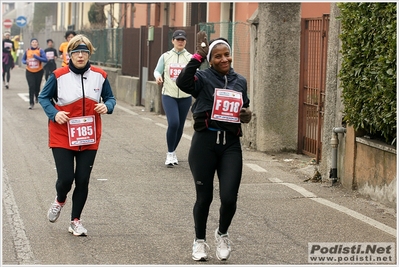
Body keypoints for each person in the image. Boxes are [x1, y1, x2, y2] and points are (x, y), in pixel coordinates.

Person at [176, 31, 252, 261]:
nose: (224, 60)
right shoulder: (203, 79)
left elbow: (245, 109)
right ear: (210, 59)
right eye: (217, 56)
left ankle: (222, 234)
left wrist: (247, 114)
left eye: (227, 55)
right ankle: (199, 241)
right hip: (205, 144)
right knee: (204, 197)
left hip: (230, 145)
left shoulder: (240, 81)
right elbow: (182, 82)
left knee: (229, 197)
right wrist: (197, 57)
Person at [38, 34, 116, 236]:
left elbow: (110, 98)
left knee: (82, 180)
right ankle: (60, 199)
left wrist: (106, 106)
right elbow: (44, 98)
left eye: (84, 52)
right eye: (76, 53)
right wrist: (55, 114)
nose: (80, 56)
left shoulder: (100, 75)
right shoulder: (58, 75)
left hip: (89, 136)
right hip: (62, 134)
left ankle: (75, 220)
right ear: (69, 55)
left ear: (89, 54)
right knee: (66, 178)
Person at [153, 29, 192, 167]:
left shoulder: (190, 58)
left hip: (185, 96)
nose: (180, 42)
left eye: (182, 40)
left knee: (180, 126)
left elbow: (196, 72)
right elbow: (157, 70)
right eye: (178, 39)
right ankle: (170, 154)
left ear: (185, 41)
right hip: (169, 94)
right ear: (173, 41)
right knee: (174, 123)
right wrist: (158, 76)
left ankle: (173, 151)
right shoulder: (165, 56)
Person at [21, 38, 47, 109]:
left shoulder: (40, 50)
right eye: (33, 42)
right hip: (29, 71)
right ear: (31, 43)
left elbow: (45, 60)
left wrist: (37, 57)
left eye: (36, 42)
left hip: (39, 71)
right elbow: (23, 59)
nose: (34, 43)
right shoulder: (27, 51)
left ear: (37, 44)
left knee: (37, 86)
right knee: (31, 86)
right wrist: (25, 62)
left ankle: (37, 95)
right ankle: (31, 103)